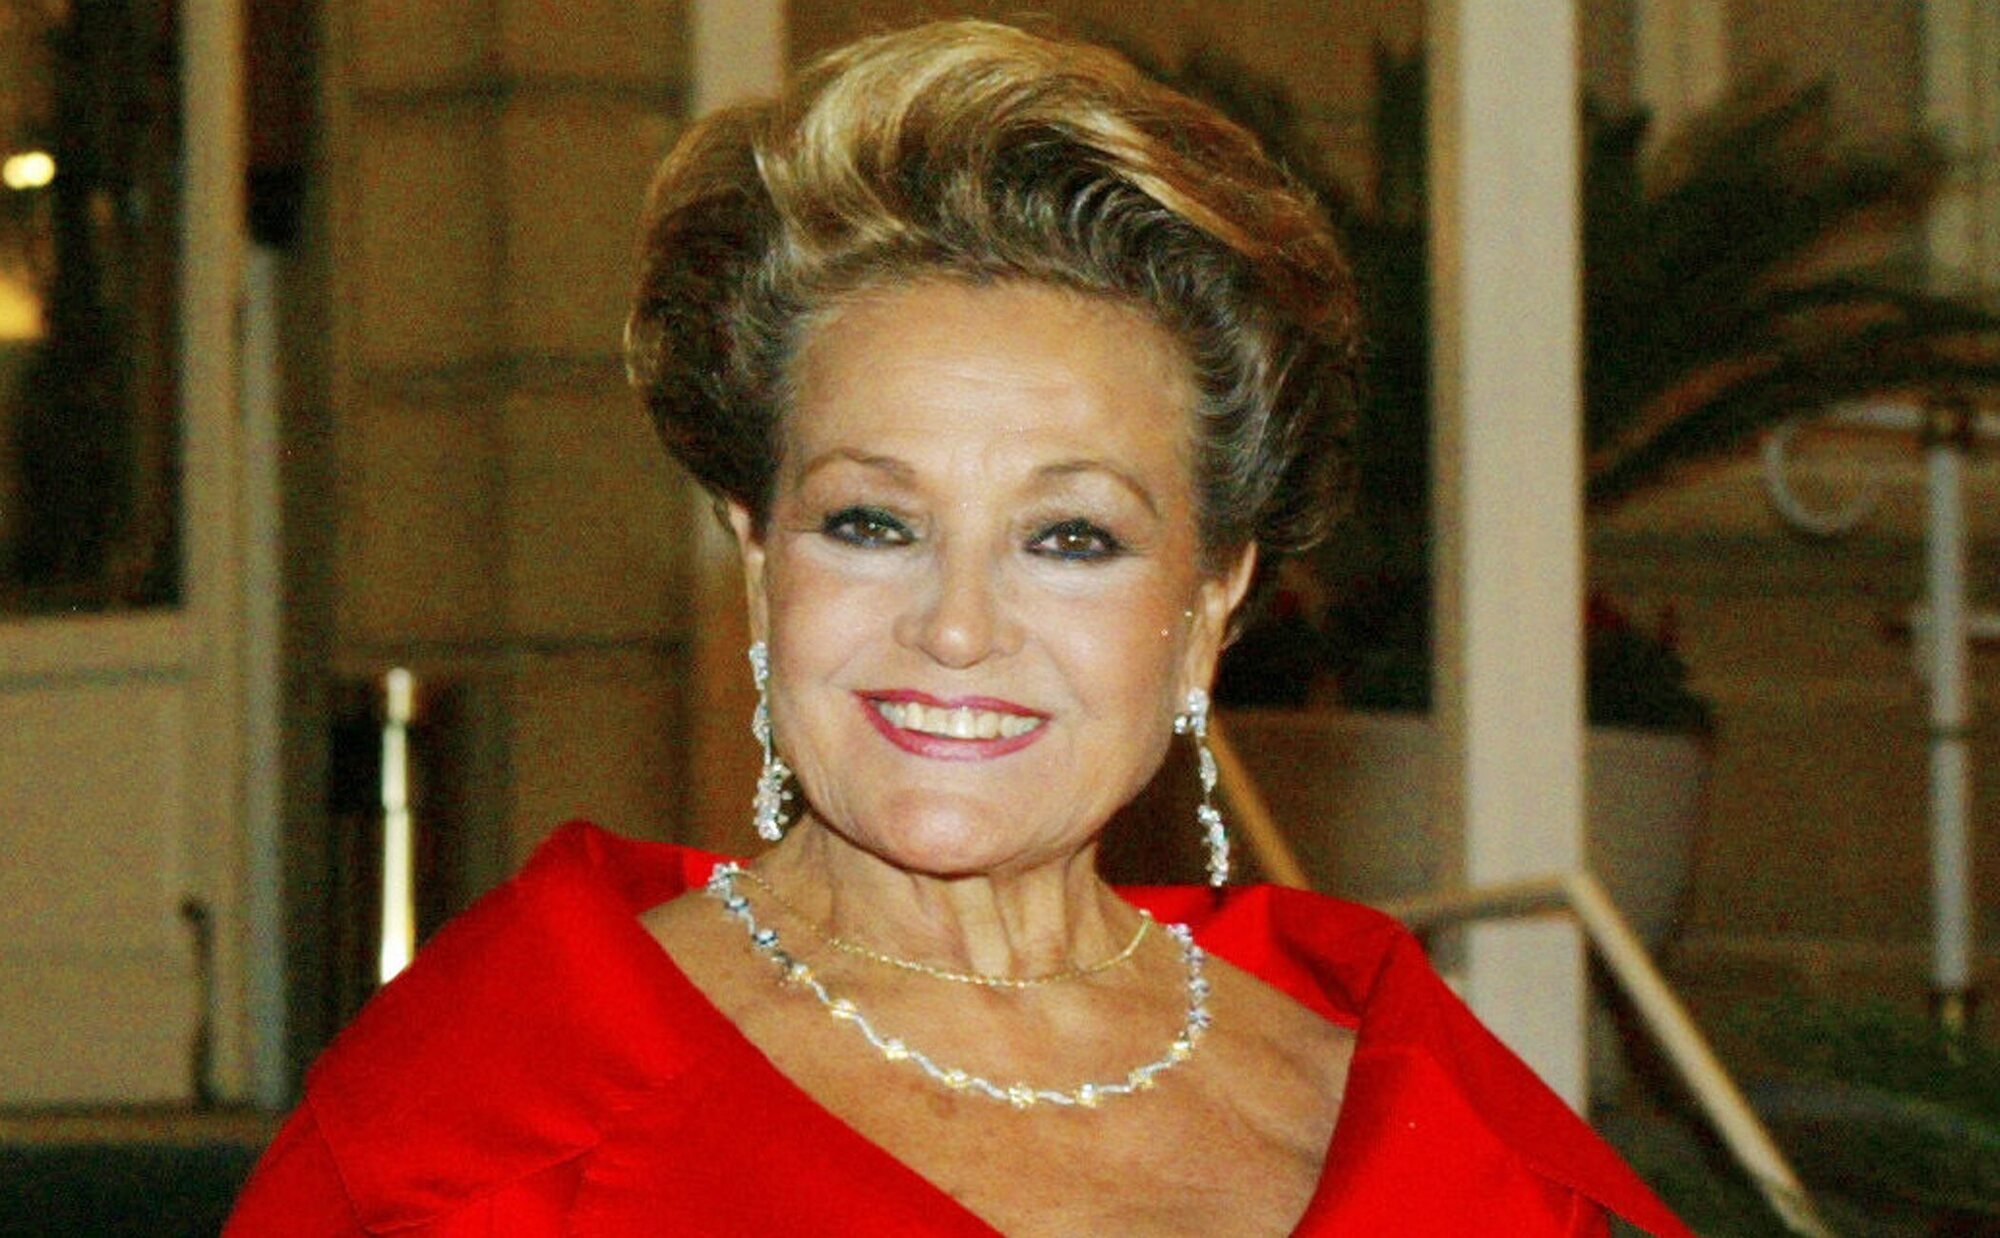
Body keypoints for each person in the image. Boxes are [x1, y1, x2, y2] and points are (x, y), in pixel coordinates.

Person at [228, 20, 1691, 1236]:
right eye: (872, 522)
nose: (957, 626)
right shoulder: (490, 1115)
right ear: (758, 554)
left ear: (1209, 605)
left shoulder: (1403, 1092)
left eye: (1072, 538)